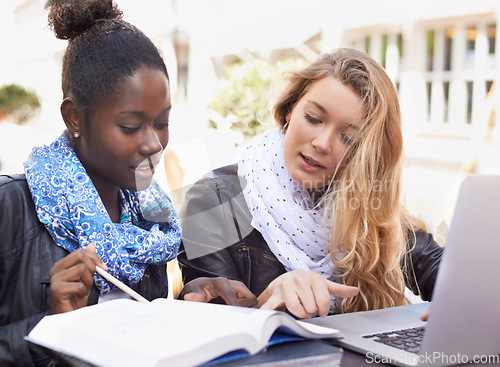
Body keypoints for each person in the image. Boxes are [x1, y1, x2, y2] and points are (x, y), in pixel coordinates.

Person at [0, 1, 254, 365]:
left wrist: (186, 306)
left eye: (163, 122)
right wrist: (52, 328)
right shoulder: (10, 209)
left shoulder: (150, 218)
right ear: (75, 117)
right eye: (131, 126)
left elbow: (133, 331)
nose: (153, 144)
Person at [178, 48, 444, 319]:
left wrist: (459, 303)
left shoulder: (369, 209)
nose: (322, 143)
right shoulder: (213, 200)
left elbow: (448, 272)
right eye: (313, 119)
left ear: (365, 154)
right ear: (290, 110)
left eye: (349, 138)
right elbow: (209, 328)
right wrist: (266, 302)